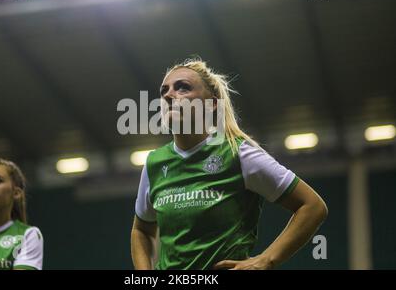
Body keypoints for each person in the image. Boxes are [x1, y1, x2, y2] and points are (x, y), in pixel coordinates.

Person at [131, 59, 328, 270]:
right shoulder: (154, 163)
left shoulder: (238, 153)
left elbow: (313, 206)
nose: (169, 95)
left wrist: (265, 260)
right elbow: (141, 230)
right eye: (164, 91)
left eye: (182, 87)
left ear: (212, 103)